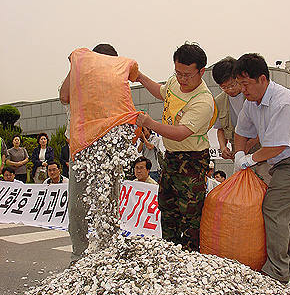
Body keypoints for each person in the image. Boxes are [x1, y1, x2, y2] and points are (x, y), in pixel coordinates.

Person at [59, 43, 139, 265]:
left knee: (108, 203)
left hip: (108, 154)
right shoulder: (79, 77)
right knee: (77, 204)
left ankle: (109, 252)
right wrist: (75, 66)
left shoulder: (114, 83)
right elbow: (65, 96)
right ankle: (79, 254)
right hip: (81, 150)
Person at [135, 42, 216, 251]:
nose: (182, 79)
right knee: (167, 207)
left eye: (188, 75)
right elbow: (162, 92)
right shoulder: (174, 82)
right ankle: (169, 253)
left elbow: (181, 133)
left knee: (189, 214)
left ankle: (191, 258)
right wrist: (141, 77)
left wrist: (151, 124)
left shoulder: (203, 101)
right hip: (170, 157)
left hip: (191, 160)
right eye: (178, 72)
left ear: (201, 71)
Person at [233, 53, 290, 283]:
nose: (243, 89)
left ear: (262, 79)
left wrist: (250, 160)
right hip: (282, 162)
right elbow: (241, 131)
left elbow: (276, 145)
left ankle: (278, 271)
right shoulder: (252, 102)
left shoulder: (284, 102)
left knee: (274, 208)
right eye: (240, 84)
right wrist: (239, 153)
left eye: (246, 84)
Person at [212, 56, 271, 184]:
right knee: (242, 190)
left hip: (262, 150)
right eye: (224, 87)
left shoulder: (254, 95)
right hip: (239, 151)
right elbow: (220, 129)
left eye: (232, 85)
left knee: (265, 186)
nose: (229, 90)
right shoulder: (219, 101)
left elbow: (269, 127)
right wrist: (223, 147)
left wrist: (250, 144)